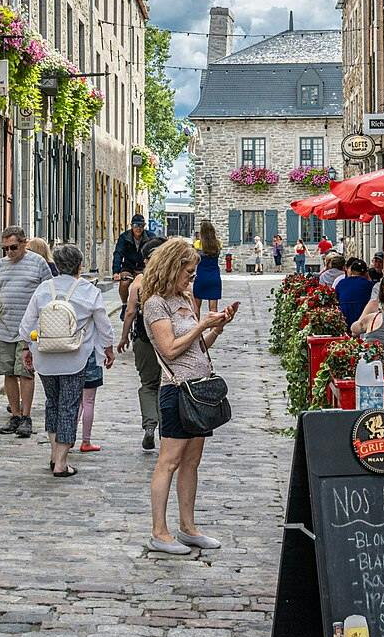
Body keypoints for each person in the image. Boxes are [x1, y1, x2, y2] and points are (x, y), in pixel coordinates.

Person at [141, 237, 239, 556]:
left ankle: (188, 527)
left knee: (192, 462)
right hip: (177, 392)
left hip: (198, 389)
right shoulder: (156, 303)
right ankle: (159, 531)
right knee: (168, 462)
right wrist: (201, 327)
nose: (191, 278)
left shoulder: (183, 297)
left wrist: (217, 328)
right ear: (172, 268)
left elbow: (196, 348)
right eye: (188, 272)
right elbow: (169, 348)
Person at [21, 244, 117, 478]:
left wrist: (27, 348)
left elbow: (26, 325)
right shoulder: (88, 290)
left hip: (45, 357)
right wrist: (108, 348)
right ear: (80, 266)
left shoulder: (44, 289)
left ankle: (54, 455)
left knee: (52, 404)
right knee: (69, 406)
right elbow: (104, 325)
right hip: (74, 357)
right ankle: (62, 463)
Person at [0, 225, 54, 439]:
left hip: (29, 332)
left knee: (25, 372)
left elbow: (49, 294)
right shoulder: (1, 266)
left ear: (24, 243)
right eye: (5, 249)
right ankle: (16, 415)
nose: (9, 252)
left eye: (13, 247)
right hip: (6, 328)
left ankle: (26, 417)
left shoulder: (38, 263)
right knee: (8, 372)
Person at [116, 225, 168, 451]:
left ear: (147, 260)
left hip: (144, 339)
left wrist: (124, 336)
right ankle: (167, 429)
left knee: (148, 384)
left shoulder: (139, 281)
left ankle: (149, 425)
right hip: (169, 340)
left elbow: (129, 312)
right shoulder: (173, 279)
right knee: (168, 385)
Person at [111, 214, 149, 308]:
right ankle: (124, 305)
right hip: (128, 266)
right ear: (132, 226)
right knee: (124, 283)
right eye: (136, 225)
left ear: (144, 226)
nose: (138, 228)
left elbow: (155, 252)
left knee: (145, 286)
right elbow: (118, 253)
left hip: (143, 267)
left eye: (141, 225)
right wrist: (116, 271)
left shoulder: (150, 237)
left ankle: (144, 306)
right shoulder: (124, 237)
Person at [191, 220, 225, 315]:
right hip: (214, 276)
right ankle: (213, 329)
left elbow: (194, 258)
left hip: (201, 276)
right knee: (213, 309)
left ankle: (197, 328)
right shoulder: (218, 244)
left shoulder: (198, 244)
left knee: (196, 307)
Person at [334, 258, 374, 327]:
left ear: (351, 271)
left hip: (344, 320)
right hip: (362, 320)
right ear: (365, 273)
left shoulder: (341, 283)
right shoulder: (369, 285)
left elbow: (335, 300)